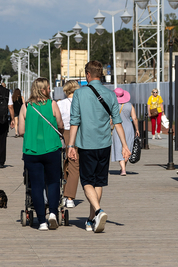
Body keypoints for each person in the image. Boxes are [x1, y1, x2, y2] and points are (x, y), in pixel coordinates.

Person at [66, 61, 130, 234]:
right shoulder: (110, 95)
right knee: (98, 182)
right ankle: (91, 219)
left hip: (86, 144)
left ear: (88, 74)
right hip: (104, 144)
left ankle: (99, 211)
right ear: (100, 75)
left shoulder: (79, 94)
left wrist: (71, 145)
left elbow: (74, 121)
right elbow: (117, 122)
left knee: (87, 182)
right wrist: (124, 145)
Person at [19, 77, 64, 231]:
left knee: (36, 185)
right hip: (52, 148)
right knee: (53, 182)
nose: (50, 90)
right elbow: (60, 124)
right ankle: (53, 213)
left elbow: (21, 131)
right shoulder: (52, 104)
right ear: (43, 89)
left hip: (32, 150)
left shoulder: (26, 106)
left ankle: (42, 222)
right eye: (48, 88)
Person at [57, 80, 80, 208]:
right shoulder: (81, 103)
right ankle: (70, 197)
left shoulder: (60, 104)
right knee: (74, 165)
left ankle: (65, 194)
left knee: (65, 164)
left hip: (63, 133)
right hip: (77, 133)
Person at [111, 87, 137, 176]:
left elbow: (110, 119)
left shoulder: (113, 106)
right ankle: (124, 167)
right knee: (127, 147)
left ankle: (123, 169)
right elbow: (134, 118)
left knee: (119, 147)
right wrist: (137, 129)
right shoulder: (130, 105)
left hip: (117, 128)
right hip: (129, 127)